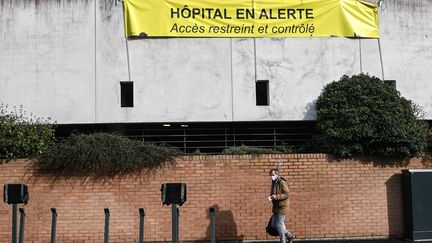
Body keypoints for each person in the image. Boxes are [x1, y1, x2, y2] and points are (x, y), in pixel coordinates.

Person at [269, 168, 295, 243]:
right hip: (276, 207)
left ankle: (282, 241)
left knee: (279, 224)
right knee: (274, 225)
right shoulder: (273, 183)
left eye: (273, 175)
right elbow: (273, 193)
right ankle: (290, 235)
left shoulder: (282, 182)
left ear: (277, 174)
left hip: (283, 206)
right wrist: (272, 197)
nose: (271, 176)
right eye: (270, 175)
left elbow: (287, 194)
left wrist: (276, 196)